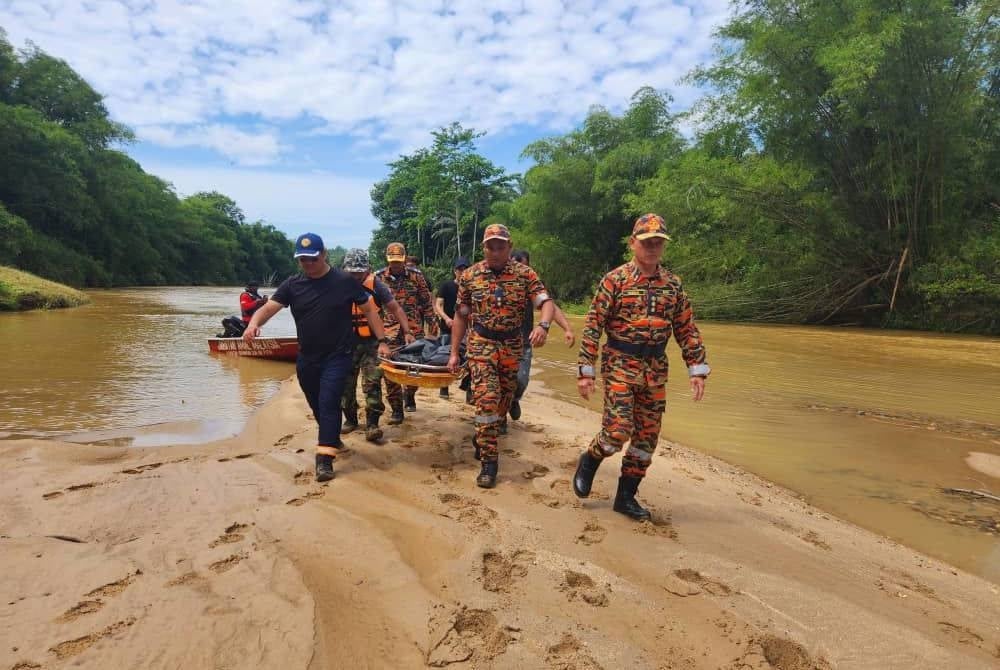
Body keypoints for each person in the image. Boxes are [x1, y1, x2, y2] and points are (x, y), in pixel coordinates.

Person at [573, 214, 710, 520]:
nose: (653, 247)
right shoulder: (615, 281)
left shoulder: (673, 285)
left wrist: (697, 368)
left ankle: (626, 496)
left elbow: (686, 329)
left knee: (647, 437)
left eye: (658, 242)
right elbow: (593, 326)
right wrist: (586, 371)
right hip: (620, 364)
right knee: (618, 431)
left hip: (655, 370)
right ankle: (591, 459)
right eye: (647, 241)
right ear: (633, 242)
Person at [244, 233, 391, 482]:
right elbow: (269, 308)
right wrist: (253, 324)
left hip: (338, 355)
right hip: (307, 357)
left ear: (323, 254)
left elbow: (370, 310)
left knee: (329, 401)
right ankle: (332, 437)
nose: (308, 264)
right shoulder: (293, 284)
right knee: (317, 404)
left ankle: (324, 459)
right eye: (302, 259)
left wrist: (383, 341)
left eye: (312, 258)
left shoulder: (344, 281)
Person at [448, 224, 555, 488]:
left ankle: (484, 435)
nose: (495, 252)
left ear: (509, 247)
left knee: (503, 403)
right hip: (481, 345)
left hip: (511, 346)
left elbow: (545, 303)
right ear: (483, 248)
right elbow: (461, 316)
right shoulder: (470, 276)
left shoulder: (525, 274)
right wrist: (453, 352)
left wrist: (543, 325)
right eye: (490, 246)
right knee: (486, 400)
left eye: (501, 246)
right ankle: (489, 462)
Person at [340, 248, 412, 442]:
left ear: (368, 269)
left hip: (373, 343)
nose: (355, 276)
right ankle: (351, 419)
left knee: (372, 383)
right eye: (351, 272)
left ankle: (372, 424)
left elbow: (395, 308)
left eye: (359, 272)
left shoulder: (377, 286)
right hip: (345, 344)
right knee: (345, 385)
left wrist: (407, 331)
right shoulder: (336, 285)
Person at [507, 250, 576, 425]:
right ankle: (500, 419)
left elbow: (550, 307)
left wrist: (567, 329)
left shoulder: (532, 285)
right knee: (501, 381)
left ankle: (514, 400)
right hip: (502, 341)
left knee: (521, 380)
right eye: (516, 264)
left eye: (523, 265)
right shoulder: (501, 282)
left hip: (524, 342)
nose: (519, 269)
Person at [374, 243, 433, 421]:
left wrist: (432, 321)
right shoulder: (378, 278)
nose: (396, 265)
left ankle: (410, 393)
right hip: (389, 330)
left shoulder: (416, 277)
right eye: (393, 262)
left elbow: (426, 301)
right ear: (387, 260)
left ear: (405, 259)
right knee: (391, 371)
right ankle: (397, 410)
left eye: (399, 261)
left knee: (415, 367)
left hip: (413, 330)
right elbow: (373, 307)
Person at [433, 256, 469, 398]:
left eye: (465, 269)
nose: (462, 272)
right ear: (455, 271)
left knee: (471, 359)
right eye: (460, 269)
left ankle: (469, 389)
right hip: (448, 328)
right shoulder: (446, 286)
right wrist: (447, 318)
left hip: (468, 330)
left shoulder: (473, 287)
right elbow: (438, 305)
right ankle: (444, 387)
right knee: (446, 357)